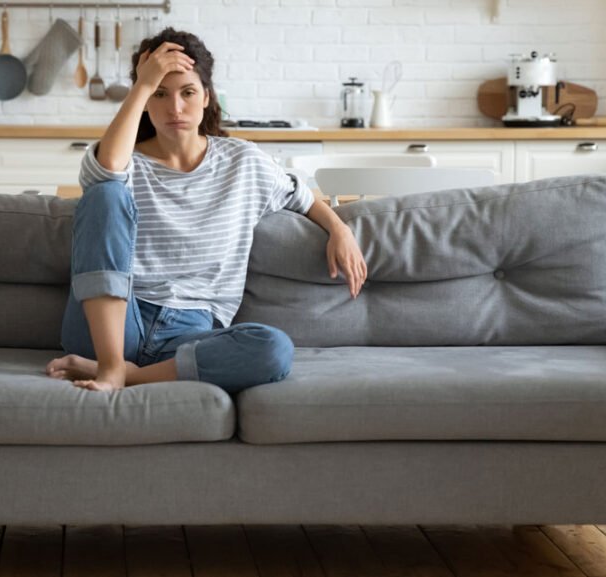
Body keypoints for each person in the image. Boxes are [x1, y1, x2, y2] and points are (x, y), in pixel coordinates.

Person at [46, 28, 367, 393]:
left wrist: (340, 230)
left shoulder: (243, 162)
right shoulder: (125, 162)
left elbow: (303, 198)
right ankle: (109, 361)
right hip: (113, 320)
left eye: (187, 93)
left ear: (206, 97)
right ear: (146, 100)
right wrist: (141, 84)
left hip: (189, 333)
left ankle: (122, 374)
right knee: (105, 194)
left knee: (274, 349)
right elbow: (106, 173)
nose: (175, 108)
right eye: (160, 94)